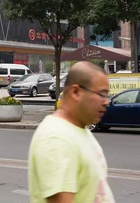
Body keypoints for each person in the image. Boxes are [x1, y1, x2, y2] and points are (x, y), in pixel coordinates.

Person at [28, 61, 115, 203]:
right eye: (102, 94)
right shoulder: (57, 137)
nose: (106, 102)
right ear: (76, 92)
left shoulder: (79, 129)